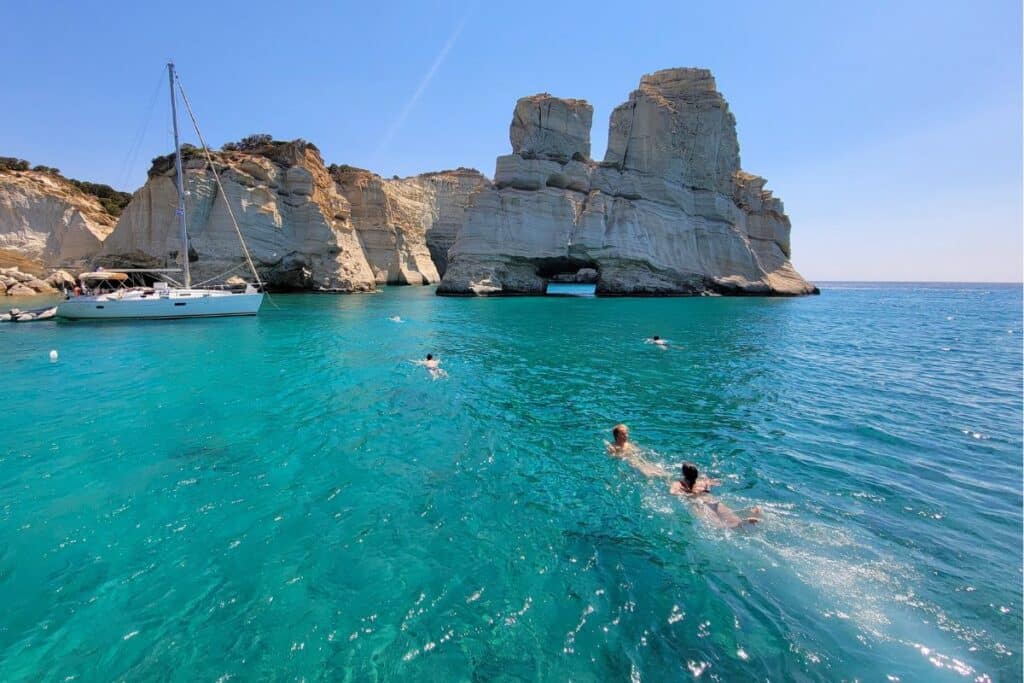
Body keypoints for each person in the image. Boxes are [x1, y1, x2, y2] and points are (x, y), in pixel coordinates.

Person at [671, 461, 760, 529]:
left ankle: (740, 525)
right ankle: (745, 521)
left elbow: (673, 492)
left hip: (699, 503)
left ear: (683, 473)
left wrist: (686, 493)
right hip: (711, 500)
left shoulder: (679, 484)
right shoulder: (703, 481)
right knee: (734, 521)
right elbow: (718, 483)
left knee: (718, 526)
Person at [606, 424, 671, 479]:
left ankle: (664, 474)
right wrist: (618, 454)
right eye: (623, 434)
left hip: (635, 456)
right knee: (643, 470)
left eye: (626, 433)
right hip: (629, 460)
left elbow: (637, 450)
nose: (626, 436)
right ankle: (652, 475)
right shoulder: (613, 447)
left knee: (649, 466)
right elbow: (612, 457)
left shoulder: (628, 444)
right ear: (617, 436)